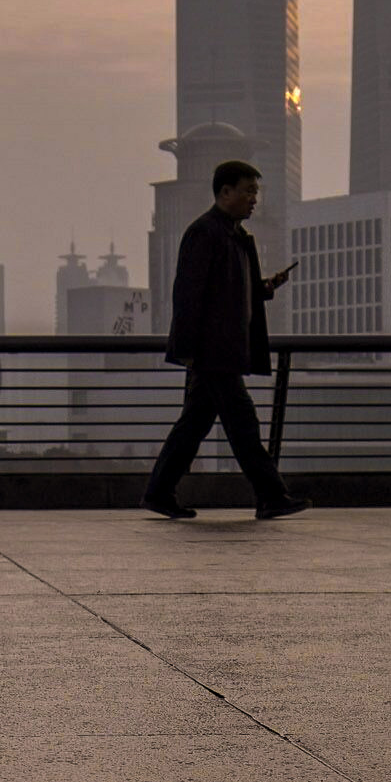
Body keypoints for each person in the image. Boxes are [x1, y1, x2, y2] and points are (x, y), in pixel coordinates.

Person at [145, 159, 305, 523]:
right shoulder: (205, 233)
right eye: (248, 191)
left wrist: (265, 287)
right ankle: (271, 496)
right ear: (225, 192)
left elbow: (231, 292)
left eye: (256, 192)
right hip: (212, 352)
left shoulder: (235, 236)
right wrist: (187, 351)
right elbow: (188, 295)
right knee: (243, 423)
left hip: (223, 351)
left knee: (194, 425)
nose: (254, 200)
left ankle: (158, 492)